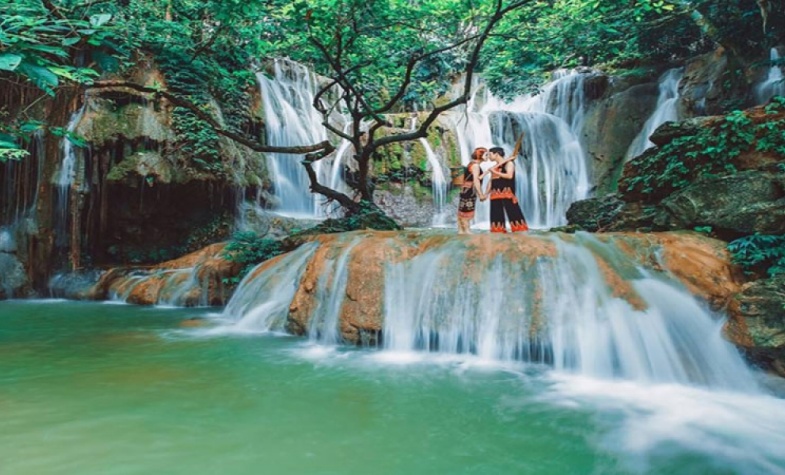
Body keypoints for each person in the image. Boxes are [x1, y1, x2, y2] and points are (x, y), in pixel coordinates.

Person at [485, 143, 528, 233]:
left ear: (496, 154)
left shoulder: (509, 163)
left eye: (490, 154)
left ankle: (520, 232)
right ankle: (498, 233)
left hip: (507, 193)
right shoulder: (495, 166)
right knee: (496, 216)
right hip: (494, 194)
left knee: (514, 214)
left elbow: (509, 176)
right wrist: (485, 194)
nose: (488, 156)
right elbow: (491, 181)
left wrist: (495, 172)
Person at [457, 147, 488, 234]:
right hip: (470, 191)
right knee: (467, 210)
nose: (487, 157)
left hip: (465, 189)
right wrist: (481, 194)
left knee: (462, 209)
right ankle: (467, 231)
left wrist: (486, 172)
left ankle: (461, 231)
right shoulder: (476, 166)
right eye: (486, 155)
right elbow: (476, 181)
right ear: (480, 156)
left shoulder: (471, 164)